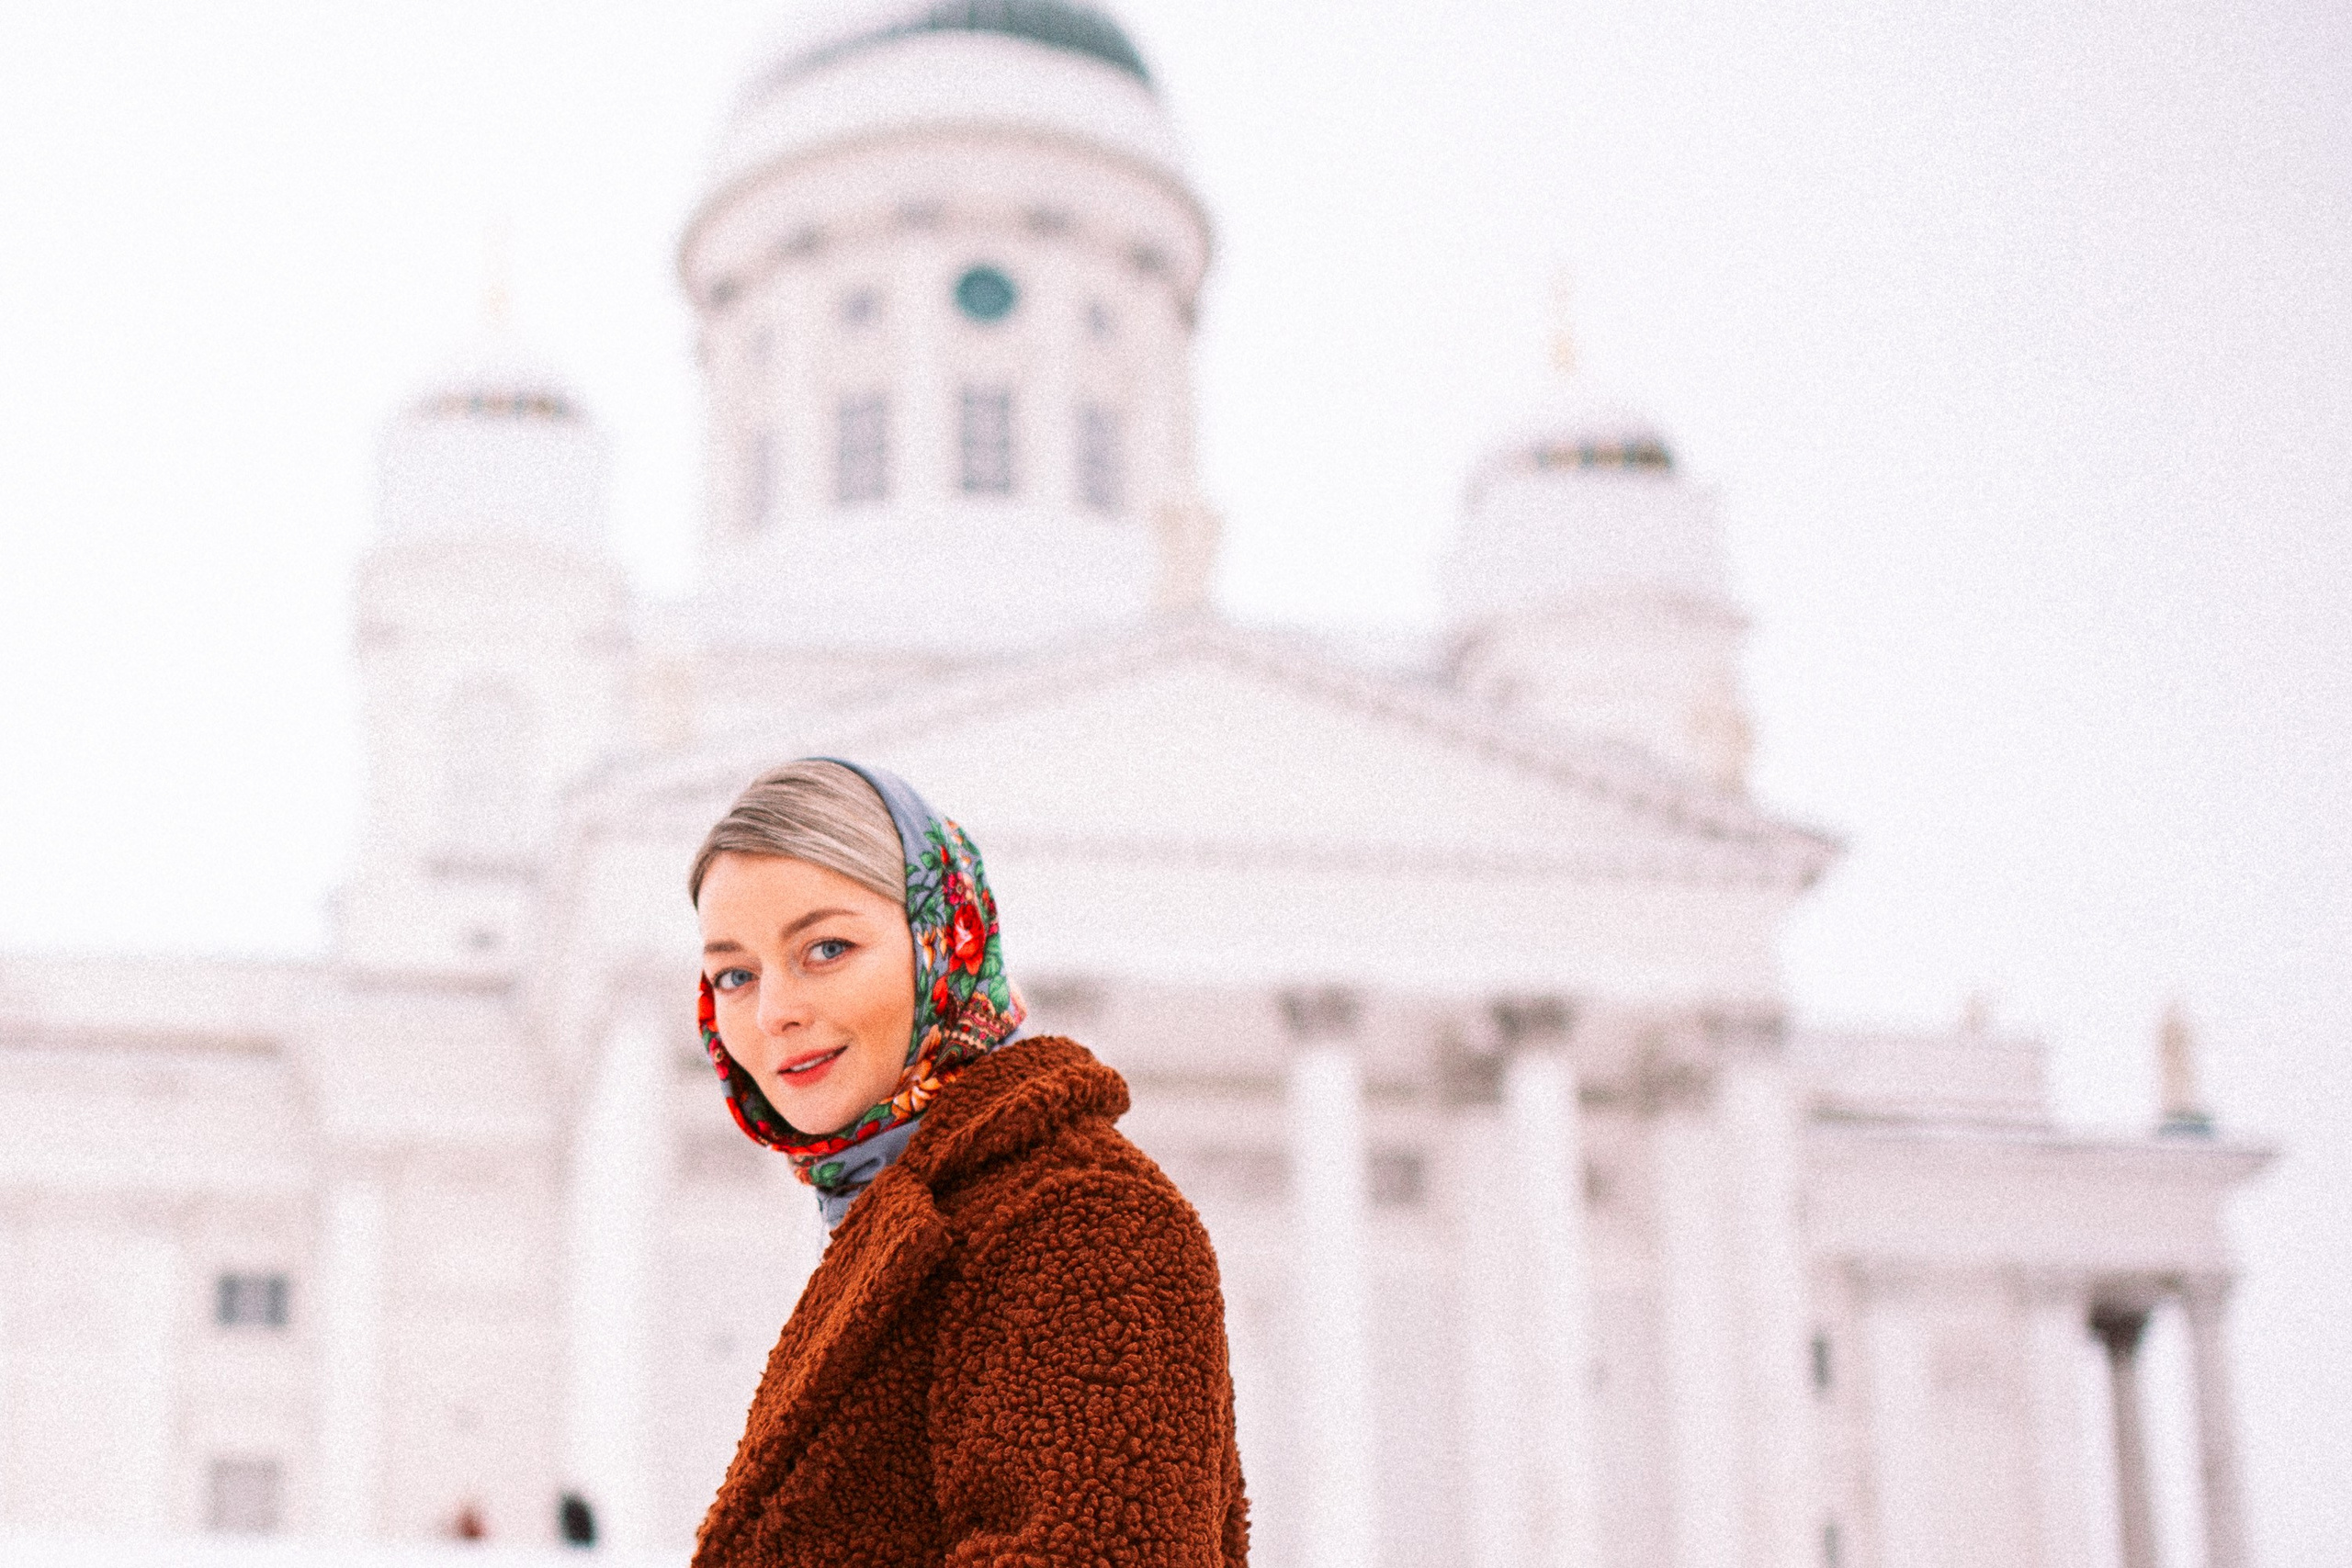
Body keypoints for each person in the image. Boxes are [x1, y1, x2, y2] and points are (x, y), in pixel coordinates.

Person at [686, 759, 1250, 1567]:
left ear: (939, 941)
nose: (774, 1011)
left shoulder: (1084, 1220)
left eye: (826, 947)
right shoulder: (894, 1214)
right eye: (735, 974)